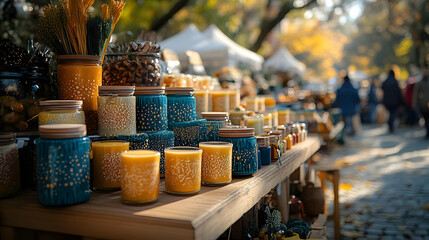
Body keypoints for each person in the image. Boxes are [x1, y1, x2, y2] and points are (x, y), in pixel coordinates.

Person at [413, 63, 429, 139]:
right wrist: (415, 104)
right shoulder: (420, 81)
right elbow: (416, 94)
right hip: (423, 104)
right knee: (426, 120)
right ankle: (427, 132)